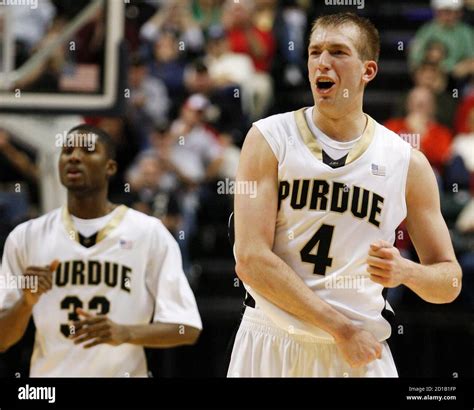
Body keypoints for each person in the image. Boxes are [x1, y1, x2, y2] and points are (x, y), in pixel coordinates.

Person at [228, 12, 462, 377]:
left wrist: (406, 272)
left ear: (368, 71)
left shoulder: (406, 162)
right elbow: (250, 259)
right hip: (273, 341)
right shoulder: (269, 138)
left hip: (360, 351)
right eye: (314, 51)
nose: (322, 62)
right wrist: (340, 328)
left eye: (338, 52)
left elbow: (449, 282)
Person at [0, 124, 202, 377]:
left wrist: (125, 332)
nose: (74, 156)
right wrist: (25, 302)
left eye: (87, 150)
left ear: (110, 167)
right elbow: (2, 339)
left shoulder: (149, 232)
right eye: (67, 150)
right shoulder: (25, 236)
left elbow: (187, 328)